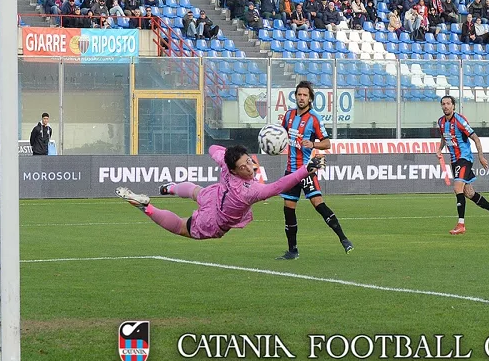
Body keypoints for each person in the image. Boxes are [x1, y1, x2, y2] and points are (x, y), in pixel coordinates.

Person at [116, 145, 326, 241]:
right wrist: (306, 169)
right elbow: (278, 186)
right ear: (234, 170)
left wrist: (226, 154)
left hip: (215, 195)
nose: (249, 167)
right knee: (181, 226)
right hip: (215, 220)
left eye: (249, 161)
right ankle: (147, 207)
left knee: (196, 191)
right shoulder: (250, 191)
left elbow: (212, 149)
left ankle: (170, 188)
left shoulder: (226, 165)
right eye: (243, 166)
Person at [276, 81, 353, 259]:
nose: (301, 98)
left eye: (305, 95)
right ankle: (292, 251)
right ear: (295, 96)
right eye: (299, 94)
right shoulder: (288, 115)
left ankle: (344, 239)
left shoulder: (314, 118)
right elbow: (280, 136)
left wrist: (313, 144)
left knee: (318, 204)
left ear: (310, 98)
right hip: (291, 172)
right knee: (288, 209)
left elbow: (327, 143)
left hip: (306, 170)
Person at [435, 95, 489, 236]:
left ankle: (461, 224)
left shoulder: (459, 121)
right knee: (469, 193)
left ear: (453, 106)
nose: (446, 106)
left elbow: (476, 138)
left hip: (464, 158)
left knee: (457, 188)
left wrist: (481, 156)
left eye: (448, 103)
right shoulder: (441, 122)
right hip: (454, 160)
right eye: (443, 104)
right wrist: (439, 149)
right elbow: (444, 137)